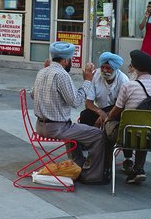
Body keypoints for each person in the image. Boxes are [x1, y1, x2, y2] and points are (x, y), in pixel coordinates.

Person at [32, 42, 106, 184]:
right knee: (98, 135)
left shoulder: (42, 72)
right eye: (70, 59)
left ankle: (78, 165)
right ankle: (91, 176)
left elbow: (33, 95)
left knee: (77, 128)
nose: (70, 62)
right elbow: (76, 102)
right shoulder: (62, 75)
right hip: (57, 128)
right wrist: (87, 80)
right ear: (65, 61)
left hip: (40, 126)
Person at [104, 50, 151, 184]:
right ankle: (138, 169)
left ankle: (105, 167)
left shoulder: (128, 86)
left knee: (109, 127)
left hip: (126, 136)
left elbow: (116, 111)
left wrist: (106, 119)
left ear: (136, 69)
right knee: (145, 131)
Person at [79, 52, 129, 128]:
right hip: (100, 109)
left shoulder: (123, 80)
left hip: (116, 111)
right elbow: (88, 103)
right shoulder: (95, 75)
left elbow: (122, 107)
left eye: (108, 68)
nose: (104, 71)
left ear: (115, 69)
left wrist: (107, 116)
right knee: (85, 115)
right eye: (102, 67)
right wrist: (100, 113)